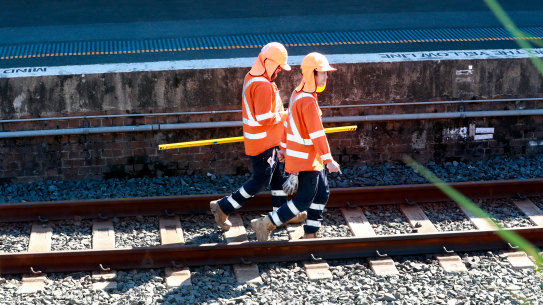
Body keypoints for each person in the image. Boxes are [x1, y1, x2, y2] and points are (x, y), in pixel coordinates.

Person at [210, 42, 307, 231]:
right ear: (269, 62)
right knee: (261, 179)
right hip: (263, 141)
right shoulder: (263, 85)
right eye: (278, 66)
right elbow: (264, 118)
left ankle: (280, 215)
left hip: (262, 139)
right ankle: (223, 206)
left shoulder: (252, 76)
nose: (279, 71)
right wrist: (288, 114)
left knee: (276, 177)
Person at [251, 52, 341, 241]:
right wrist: (329, 160)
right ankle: (266, 224)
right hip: (307, 158)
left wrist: (283, 148)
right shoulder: (308, 100)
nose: (326, 77)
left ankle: (311, 232)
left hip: (308, 157)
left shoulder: (298, 93)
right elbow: (317, 133)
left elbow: (287, 124)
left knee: (322, 192)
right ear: (312, 74)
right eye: (323, 73)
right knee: (303, 200)